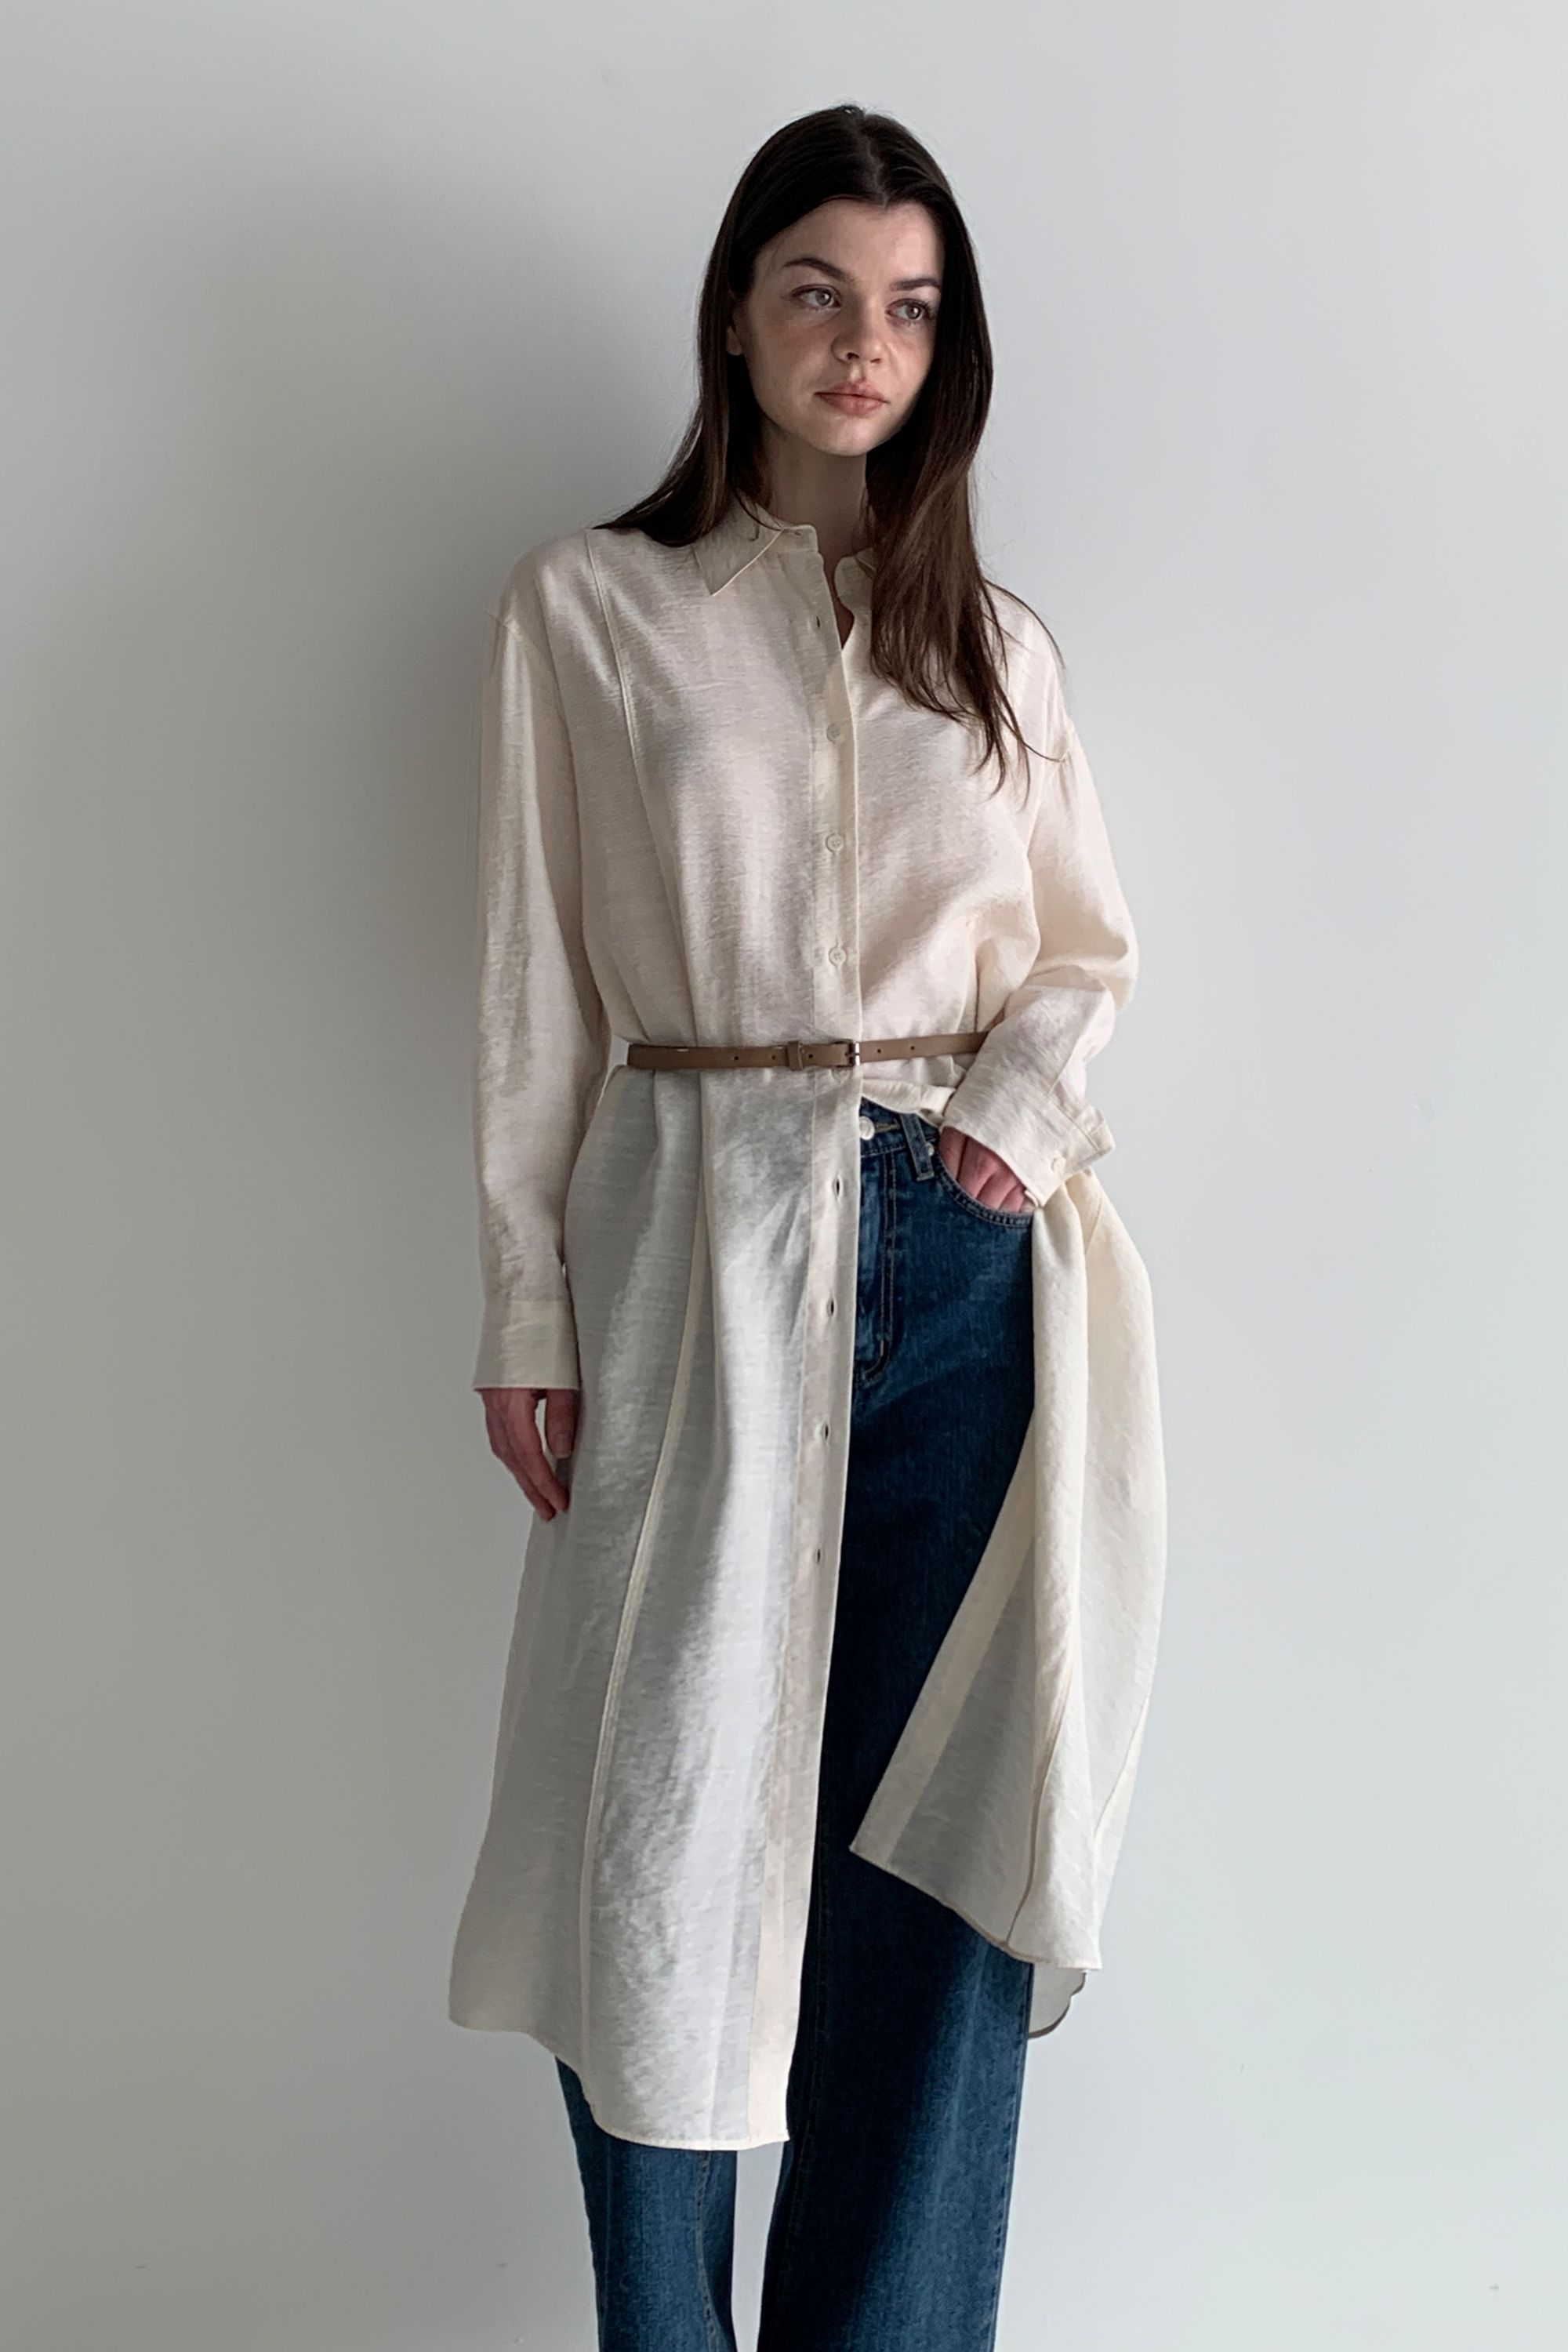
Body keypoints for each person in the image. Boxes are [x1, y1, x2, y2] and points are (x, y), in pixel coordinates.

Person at [447, 102, 1167, 2352]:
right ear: (740, 318)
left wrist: (1016, 1116)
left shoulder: (995, 647)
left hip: (966, 1274)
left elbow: (1084, 953)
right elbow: (535, 989)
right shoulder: (591, 612)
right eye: (821, 293)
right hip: (694, 1248)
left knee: (934, 1853)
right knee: (659, 1842)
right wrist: (527, 1301)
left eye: (912, 307)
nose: (867, 342)